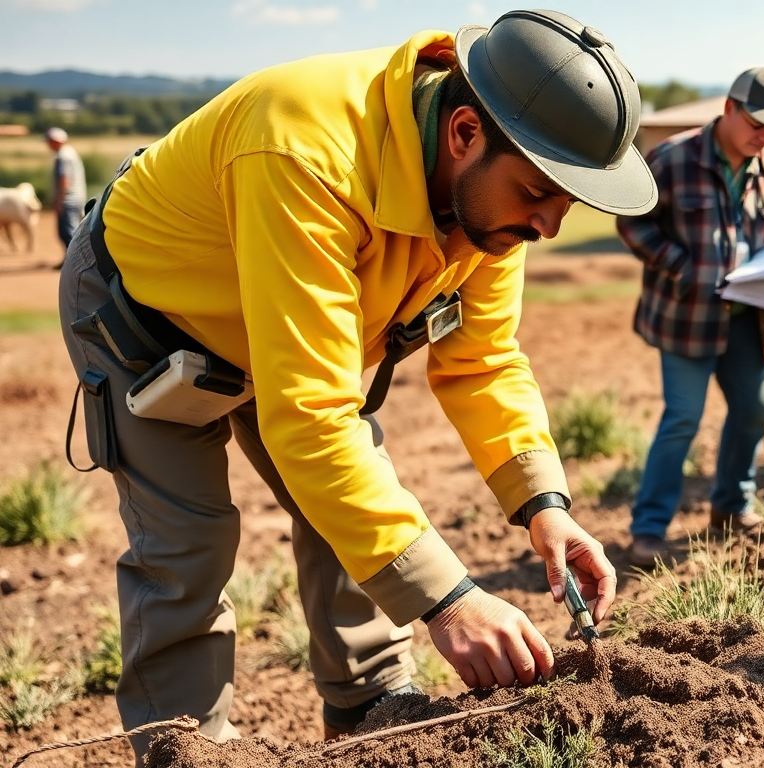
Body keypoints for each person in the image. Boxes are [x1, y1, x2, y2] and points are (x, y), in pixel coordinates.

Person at [58, 10, 647, 755]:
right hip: (146, 320)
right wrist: (450, 602)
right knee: (188, 549)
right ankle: (188, 746)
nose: (549, 226)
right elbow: (311, 419)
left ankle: (370, 707)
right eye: (537, 194)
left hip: (283, 332)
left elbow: (483, 359)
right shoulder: (305, 149)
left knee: (349, 500)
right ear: (465, 133)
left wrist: (544, 506)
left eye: (565, 201)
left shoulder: (496, 200)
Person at [616, 66, 764, 568]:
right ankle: (649, 528)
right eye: (757, 123)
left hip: (749, 318)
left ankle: (731, 507)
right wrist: (681, 266)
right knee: (682, 420)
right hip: (687, 317)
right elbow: (631, 220)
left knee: (755, 411)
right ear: (728, 108)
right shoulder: (673, 158)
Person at [46, 126, 86, 266]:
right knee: (68, 230)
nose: (47, 144)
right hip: (74, 198)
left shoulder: (64, 156)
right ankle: (70, 261)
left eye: (49, 141)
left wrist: (59, 200)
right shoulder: (69, 153)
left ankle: (75, 263)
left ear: (56, 141)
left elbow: (64, 179)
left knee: (68, 231)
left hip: (69, 200)